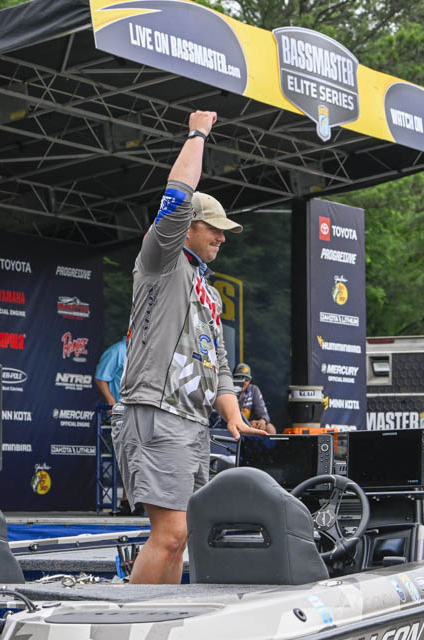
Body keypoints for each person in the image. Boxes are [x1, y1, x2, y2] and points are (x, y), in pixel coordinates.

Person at [112, 110, 267, 585]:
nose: (222, 237)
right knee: (170, 532)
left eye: (224, 230)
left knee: (182, 536)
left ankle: (164, 618)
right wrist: (198, 134)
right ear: (188, 227)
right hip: (155, 411)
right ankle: (131, 620)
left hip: (192, 421)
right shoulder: (161, 259)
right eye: (213, 228)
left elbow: (219, 362)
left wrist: (233, 414)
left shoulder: (210, 292)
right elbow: (178, 193)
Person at [233, 362, 276, 434]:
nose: (243, 382)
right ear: (232, 378)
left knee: (270, 428)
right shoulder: (228, 390)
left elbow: (264, 414)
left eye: (246, 379)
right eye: (239, 378)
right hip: (233, 425)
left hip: (250, 426)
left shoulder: (254, 390)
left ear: (250, 380)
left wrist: (263, 421)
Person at [94, 337, 127, 409]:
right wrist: (112, 403)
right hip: (122, 410)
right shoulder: (119, 349)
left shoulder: (145, 351)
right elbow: (100, 379)